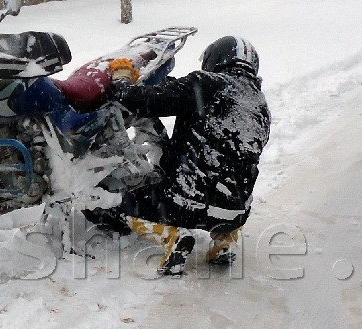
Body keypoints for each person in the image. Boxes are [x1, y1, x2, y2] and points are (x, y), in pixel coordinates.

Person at [86, 36, 272, 275]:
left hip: (185, 204)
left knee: (115, 204)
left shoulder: (207, 84)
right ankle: (223, 240)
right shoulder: (259, 104)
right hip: (235, 213)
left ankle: (173, 237)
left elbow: (144, 101)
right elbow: (179, 93)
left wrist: (122, 80)